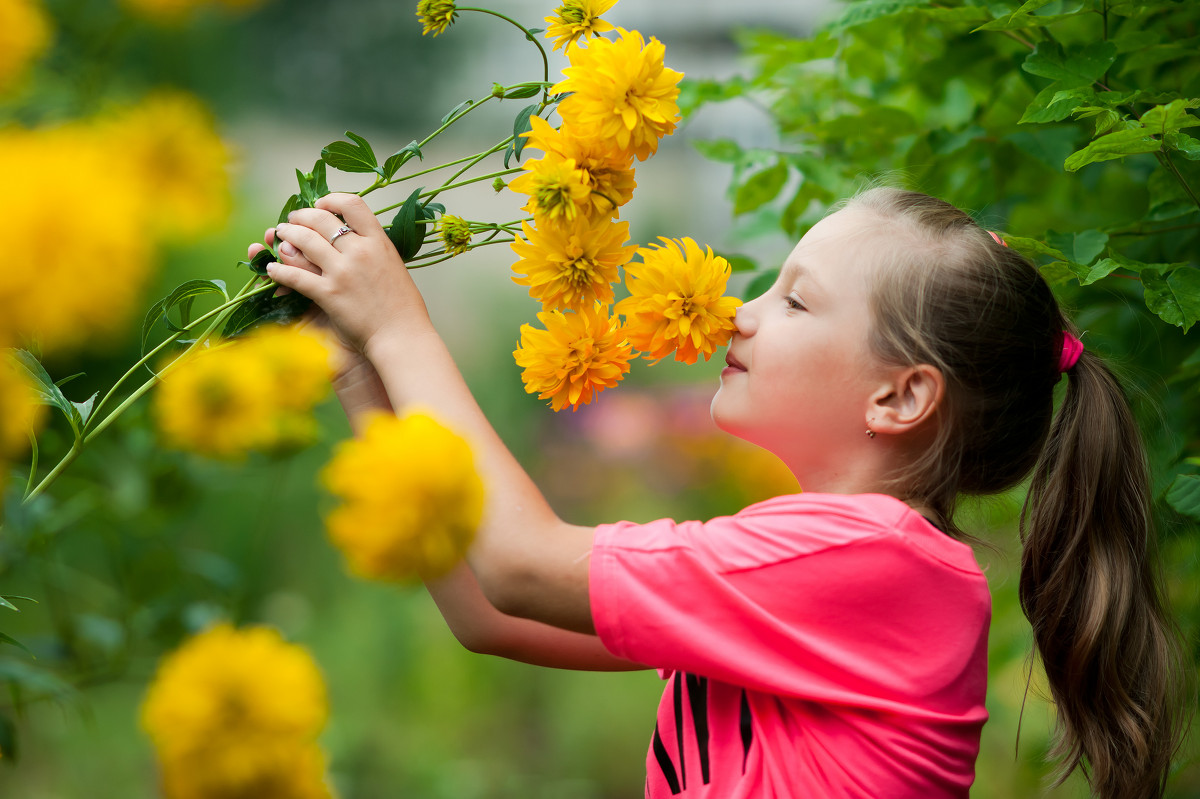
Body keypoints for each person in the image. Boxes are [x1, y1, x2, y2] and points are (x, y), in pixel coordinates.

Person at [253, 186, 1187, 798]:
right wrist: (360, 371)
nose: (744, 310)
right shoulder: (824, 564)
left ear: (900, 395)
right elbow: (487, 610)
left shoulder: (874, 566)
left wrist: (401, 322)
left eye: (795, 299)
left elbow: (519, 565)